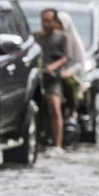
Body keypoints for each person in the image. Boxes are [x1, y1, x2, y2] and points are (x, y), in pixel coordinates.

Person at [35, 8, 70, 152]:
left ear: (55, 22)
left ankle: (58, 144)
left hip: (53, 79)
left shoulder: (62, 38)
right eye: (43, 21)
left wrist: (53, 67)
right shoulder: (35, 37)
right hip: (37, 78)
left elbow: (66, 57)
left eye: (49, 21)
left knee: (55, 108)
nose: (45, 24)